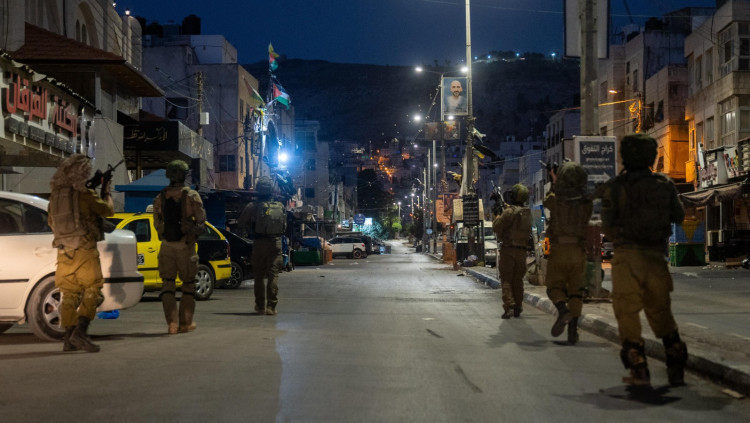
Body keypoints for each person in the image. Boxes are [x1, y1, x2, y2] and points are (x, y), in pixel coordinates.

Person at [601, 133, 688, 386]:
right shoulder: (664, 184)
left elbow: (606, 224)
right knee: (660, 311)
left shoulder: (616, 186)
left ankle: (638, 366)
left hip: (626, 257)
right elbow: (679, 216)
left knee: (627, 311)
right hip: (655, 257)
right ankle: (675, 361)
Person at [48, 154, 115, 353]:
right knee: (93, 290)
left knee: (69, 294)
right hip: (84, 250)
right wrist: (106, 190)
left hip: (63, 252)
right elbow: (107, 211)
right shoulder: (84, 194)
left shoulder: (56, 196)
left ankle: (69, 338)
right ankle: (80, 332)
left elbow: (51, 222)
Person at [153, 160, 206, 335]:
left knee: (167, 285)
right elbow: (201, 221)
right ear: (184, 175)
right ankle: (185, 323)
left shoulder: (160, 197)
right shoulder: (191, 196)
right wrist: (192, 235)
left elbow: (157, 223)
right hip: (185, 247)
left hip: (166, 247)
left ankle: (172, 324)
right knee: (188, 285)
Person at [543, 162, 593, 345]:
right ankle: (572, 333)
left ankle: (563, 311)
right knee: (576, 293)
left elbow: (547, 200)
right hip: (578, 251)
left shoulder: (555, 200)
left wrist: (554, 181)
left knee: (553, 287)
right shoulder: (586, 203)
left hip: (559, 251)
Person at [239, 176, 286, 315]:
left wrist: (249, 230)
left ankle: (260, 306)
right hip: (276, 243)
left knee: (259, 276)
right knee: (273, 275)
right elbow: (284, 226)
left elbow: (241, 223)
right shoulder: (280, 206)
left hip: (259, 243)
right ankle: (271, 307)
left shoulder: (253, 206)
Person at [492, 184, 532, 319]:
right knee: (518, 281)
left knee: (506, 280)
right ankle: (518, 307)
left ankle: (509, 306)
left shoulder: (509, 212)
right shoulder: (527, 213)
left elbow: (496, 227)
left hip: (508, 250)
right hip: (522, 251)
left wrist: (498, 215)